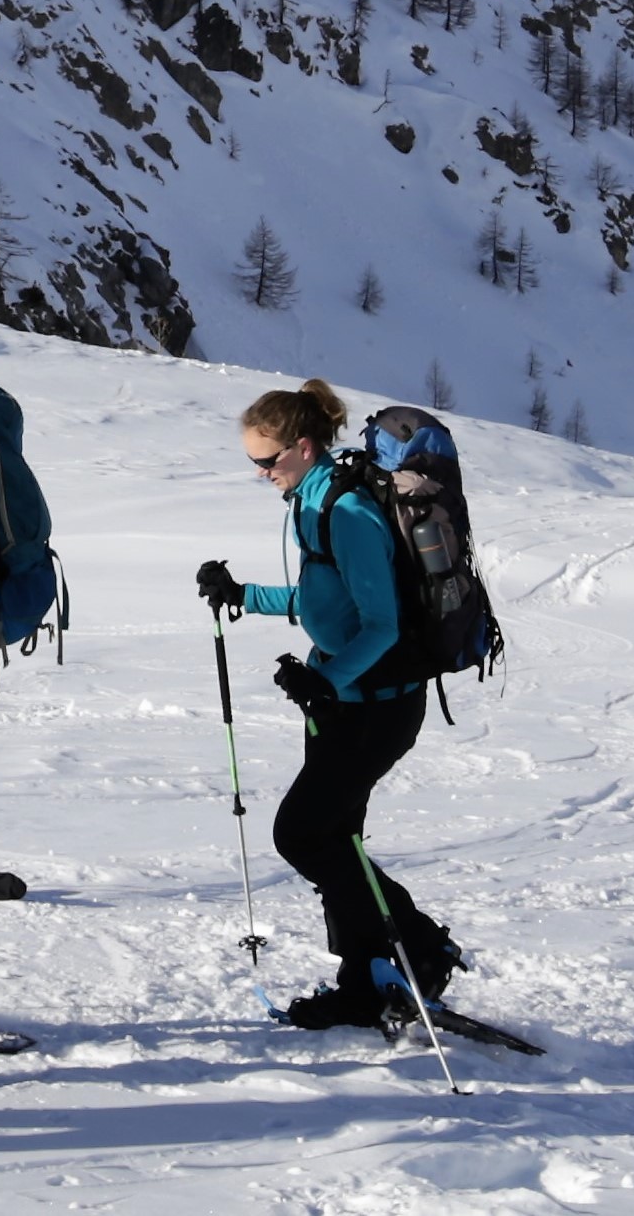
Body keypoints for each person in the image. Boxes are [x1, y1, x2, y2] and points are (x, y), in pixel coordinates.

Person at [193, 377, 463, 1032]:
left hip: (378, 703)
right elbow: (321, 602)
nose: (260, 474)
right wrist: (242, 594)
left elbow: (382, 623)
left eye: (267, 460)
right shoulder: (312, 500)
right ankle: (364, 981)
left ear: (304, 447)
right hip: (344, 699)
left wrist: (328, 680)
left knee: (304, 833)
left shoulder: (346, 512)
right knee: (337, 839)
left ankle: (422, 946)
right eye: (252, 461)